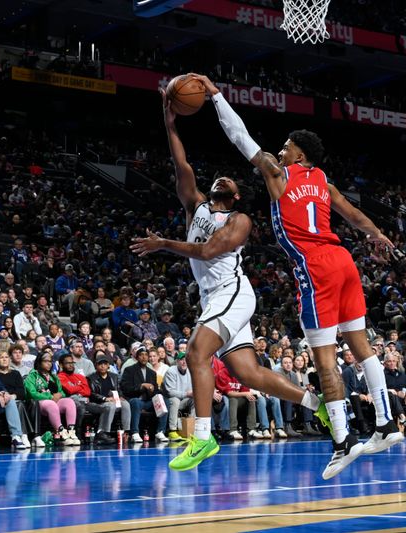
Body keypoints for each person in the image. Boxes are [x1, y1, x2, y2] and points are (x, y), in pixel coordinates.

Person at [193, 72, 403, 478]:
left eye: (286, 146)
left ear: (299, 156)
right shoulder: (323, 181)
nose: (280, 149)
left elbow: (240, 137)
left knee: (325, 358)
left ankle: (342, 443)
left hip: (315, 266)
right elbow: (352, 215)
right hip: (344, 260)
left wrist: (217, 97)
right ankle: (386, 423)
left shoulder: (279, 173)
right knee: (361, 346)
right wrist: (375, 234)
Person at [129, 88, 331, 472]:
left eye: (230, 182)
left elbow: (207, 252)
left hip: (233, 292)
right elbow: (180, 160)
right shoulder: (196, 205)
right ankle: (315, 404)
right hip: (213, 297)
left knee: (194, 353)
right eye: (219, 178)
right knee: (247, 372)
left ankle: (202, 439)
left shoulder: (239, 221)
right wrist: (169, 120)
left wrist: (162, 243)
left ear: (236, 196)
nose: (222, 179)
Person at [24, 352, 80, 447]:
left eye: (50, 361)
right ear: (39, 362)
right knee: (51, 404)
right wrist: (50, 396)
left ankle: (71, 432)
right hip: (39, 403)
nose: (49, 363)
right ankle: (61, 432)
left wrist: (59, 395)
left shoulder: (54, 376)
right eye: (46, 361)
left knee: (70, 402)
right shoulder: (32, 376)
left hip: (54, 400)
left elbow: (61, 392)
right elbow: (32, 394)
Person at [119, 345, 169, 443]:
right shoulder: (129, 370)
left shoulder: (152, 373)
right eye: (141, 355)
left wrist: (155, 392)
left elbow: (154, 390)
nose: (144, 357)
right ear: (137, 357)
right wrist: (141, 386)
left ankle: (160, 431)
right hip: (135, 399)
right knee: (136, 402)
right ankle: (135, 433)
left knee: (164, 400)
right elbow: (125, 388)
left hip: (148, 401)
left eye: (146, 355)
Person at [87, 351, 130, 444]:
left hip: (114, 400)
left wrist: (121, 396)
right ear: (96, 366)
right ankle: (103, 433)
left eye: (105, 364)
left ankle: (126, 432)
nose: (102, 366)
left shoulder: (114, 376)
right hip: (97, 403)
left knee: (126, 404)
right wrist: (104, 399)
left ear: (108, 366)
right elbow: (91, 394)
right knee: (110, 405)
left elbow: (118, 390)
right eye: (100, 364)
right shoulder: (91, 378)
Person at [0, 349, 33, 448]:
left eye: (6, 357)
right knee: (18, 404)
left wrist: (12, 396)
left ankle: (22, 435)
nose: (4, 359)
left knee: (19, 404)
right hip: (0, 401)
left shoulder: (15, 373)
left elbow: (21, 392)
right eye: (1, 357)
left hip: (14, 399)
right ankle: (22, 434)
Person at [162, 352, 195, 441]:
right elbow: (170, 392)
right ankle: (172, 430)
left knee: (195, 401)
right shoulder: (171, 371)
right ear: (177, 361)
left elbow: (192, 390)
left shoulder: (191, 371)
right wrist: (186, 394)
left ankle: (191, 429)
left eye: (186, 360)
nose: (184, 362)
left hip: (184, 400)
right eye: (182, 360)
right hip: (169, 400)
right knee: (175, 400)